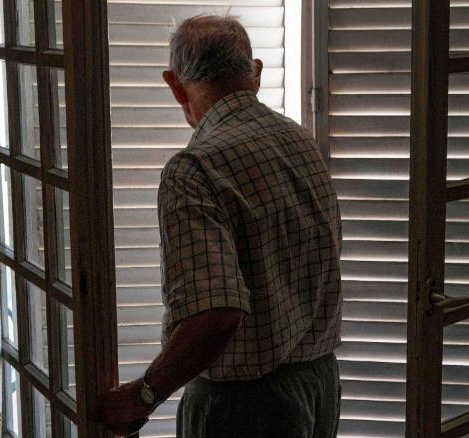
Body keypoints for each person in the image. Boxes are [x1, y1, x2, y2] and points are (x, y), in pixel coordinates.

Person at [99, 15, 343, 438]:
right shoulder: (300, 143)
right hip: (318, 386)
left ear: (175, 85)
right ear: (256, 73)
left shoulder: (195, 169)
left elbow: (216, 314)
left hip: (243, 409)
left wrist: (142, 396)